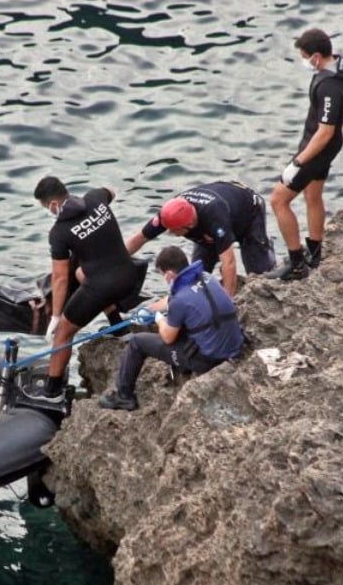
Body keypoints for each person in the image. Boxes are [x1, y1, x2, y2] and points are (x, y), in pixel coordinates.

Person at [32, 176, 141, 402]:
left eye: (47, 208)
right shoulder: (95, 198)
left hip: (104, 288)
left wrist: (55, 316)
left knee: (64, 332)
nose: (50, 213)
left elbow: (60, 279)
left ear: (53, 205)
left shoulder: (59, 233)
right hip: (130, 275)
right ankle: (118, 328)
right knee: (81, 273)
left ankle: (52, 391)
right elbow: (113, 188)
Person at [100, 246, 243, 411]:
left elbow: (168, 337)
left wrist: (159, 318)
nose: (166, 280)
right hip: (234, 347)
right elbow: (175, 299)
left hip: (209, 360)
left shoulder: (180, 301)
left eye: (163, 276)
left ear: (168, 274)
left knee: (137, 343)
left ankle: (124, 396)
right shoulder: (206, 278)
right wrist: (150, 309)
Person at [268, 27, 343, 281]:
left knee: (278, 200)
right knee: (313, 193)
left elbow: (325, 131)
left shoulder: (329, 86)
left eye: (305, 56)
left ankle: (297, 263)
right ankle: (315, 252)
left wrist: (298, 162)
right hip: (329, 144)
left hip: (318, 147)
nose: (304, 61)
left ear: (317, 57)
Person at [125, 181, 273, 297]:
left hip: (248, 213)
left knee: (259, 277)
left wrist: (228, 302)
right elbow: (140, 238)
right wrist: (117, 262)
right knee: (195, 278)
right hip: (210, 228)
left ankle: (266, 251)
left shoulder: (214, 216)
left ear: (190, 224)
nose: (169, 232)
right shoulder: (170, 213)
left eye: (175, 231)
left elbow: (229, 262)